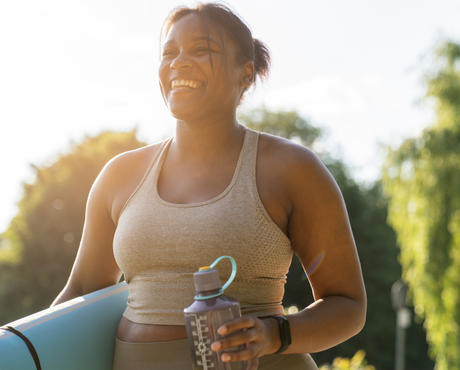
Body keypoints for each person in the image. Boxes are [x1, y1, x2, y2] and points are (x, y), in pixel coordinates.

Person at [51, 2, 367, 369]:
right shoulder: (119, 175)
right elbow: (81, 291)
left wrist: (273, 334)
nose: (179, 61)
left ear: (245, 74)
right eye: (169, 52)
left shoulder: (292, 169)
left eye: (201, 49)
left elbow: (347, 305)